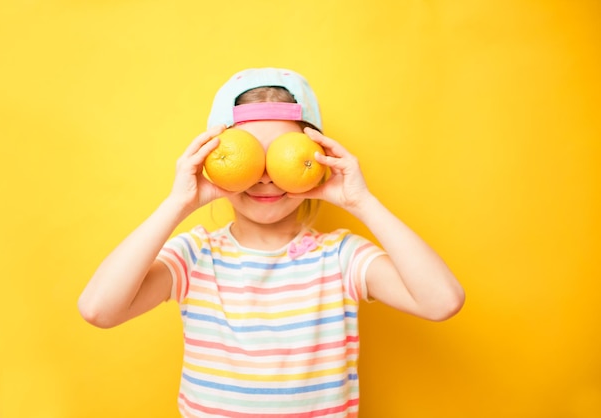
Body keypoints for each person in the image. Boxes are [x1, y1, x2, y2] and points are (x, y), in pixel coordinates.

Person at [78, 67, 465, 417]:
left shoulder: (341, 257)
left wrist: (361, 202)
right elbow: (99, 309)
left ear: (317, 158)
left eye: (281, 157)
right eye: (248, 157)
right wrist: (178, 204)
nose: (265, 178)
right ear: (214, 160)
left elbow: (442, 302)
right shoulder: (195, 256)